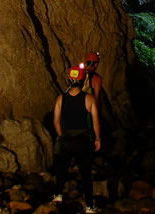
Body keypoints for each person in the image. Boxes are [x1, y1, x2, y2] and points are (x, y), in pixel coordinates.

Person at [52, 65, 101, 213]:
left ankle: (58, 195)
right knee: (85, 172)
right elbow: (95, 122)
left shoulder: (61, 98)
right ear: (82, 80)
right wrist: (97, 138)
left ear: (69, 79)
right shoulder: (89, 98)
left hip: (67, 139)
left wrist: (62, 135)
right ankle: (89, 206)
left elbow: (55, 121)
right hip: (82, 140)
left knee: (62, 169)